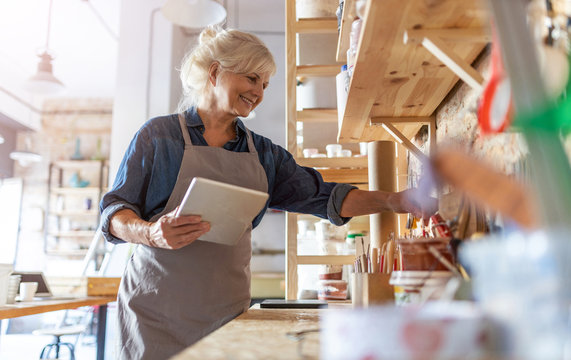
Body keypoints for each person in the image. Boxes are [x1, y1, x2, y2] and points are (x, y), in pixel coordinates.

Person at [100, 26, 436, 359]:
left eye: (264, 84)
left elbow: (325, 196)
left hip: (226, 316)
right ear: (216, 72)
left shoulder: (264, 155)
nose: (258, 91)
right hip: (155, 316)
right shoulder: (158, 137)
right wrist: (151, 232)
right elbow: (114, 212)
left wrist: (393, 200)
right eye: (251, 78)